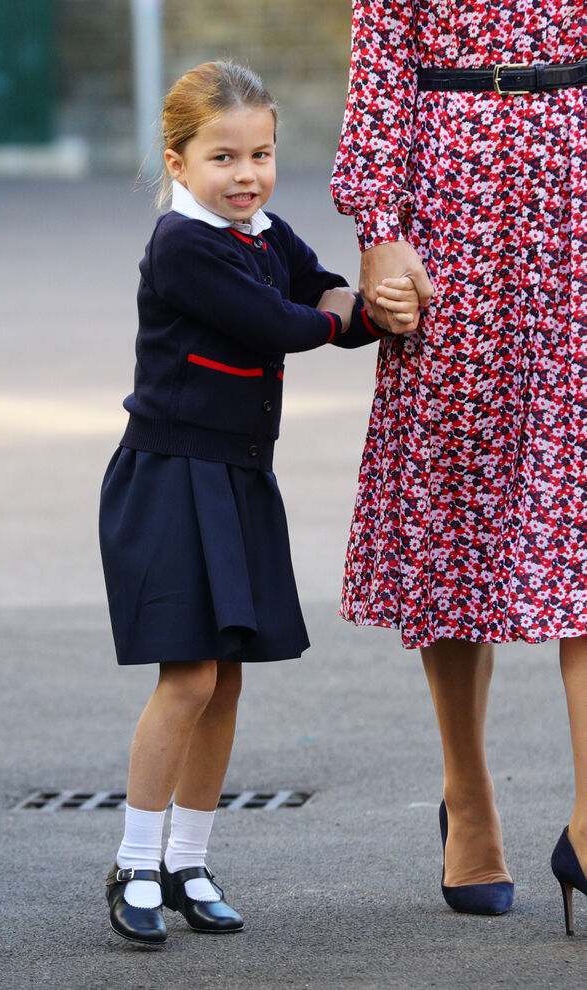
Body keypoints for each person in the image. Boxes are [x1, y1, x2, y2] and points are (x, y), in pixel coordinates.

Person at [99, 59, 421, 947]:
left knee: (227, 677)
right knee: (189, 677)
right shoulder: (183, 245)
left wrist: (363, 306)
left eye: (262, 155)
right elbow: (283, 321)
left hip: (238, 476)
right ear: (178, 162)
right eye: (223, 158)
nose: (246, 176)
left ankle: (188, 862)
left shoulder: (264, 232)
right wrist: (363, 314)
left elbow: (316, 284)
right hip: (171, 476)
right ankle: (134, 863)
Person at [332, 1, 587, 933]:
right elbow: (380, 68)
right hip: (450, 212)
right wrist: (379, 229)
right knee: (454, 502)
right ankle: (468, 795)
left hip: (576, 191)